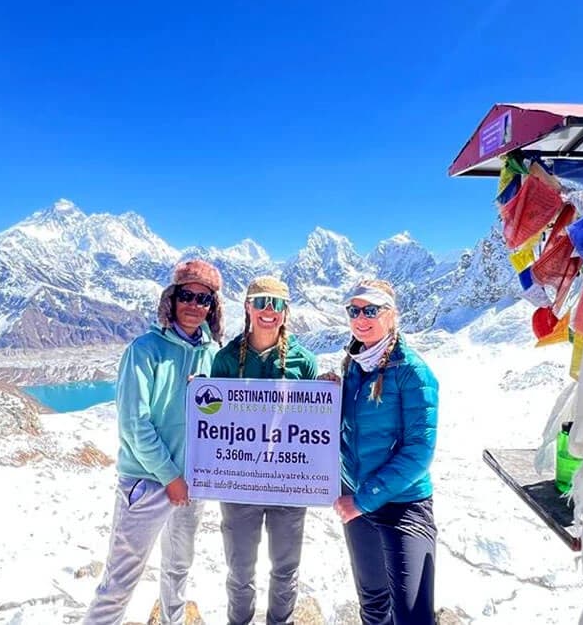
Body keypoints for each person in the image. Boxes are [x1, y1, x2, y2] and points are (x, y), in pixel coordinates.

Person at [85, 259, 225, 625]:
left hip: (192, 483)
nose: (195, 305)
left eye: (204, 299)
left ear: (213, 307)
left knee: (178, 570)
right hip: (148, 484)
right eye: (187, 296)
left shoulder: (212, 355)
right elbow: (134, 424)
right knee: (120, 579)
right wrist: (170, 477)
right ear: (172, 299)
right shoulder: (144, 350)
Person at [210, 276, 318, 625]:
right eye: (260, 302)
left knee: (285, 569)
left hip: (288, 483)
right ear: (247, 308)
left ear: (286, 311)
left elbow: (314, 423)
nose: (267, 311)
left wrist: (328, 392)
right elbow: (213, 423)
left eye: (276, 304)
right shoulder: (226, 359)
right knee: (240, 570)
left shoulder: (304, 362)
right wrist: (200, 396)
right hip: (240, 484)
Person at [330, 279, 439, 625]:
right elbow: (344, 430)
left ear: (392, 316)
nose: (361, 318)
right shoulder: (353, 367)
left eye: (371, 310)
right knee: (374, 605)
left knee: (412, 615)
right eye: (354, 310)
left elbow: (419, 452)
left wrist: (363, 500)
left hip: (403, 505)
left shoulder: (413, 372)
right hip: (357, 499)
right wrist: (325, 398)